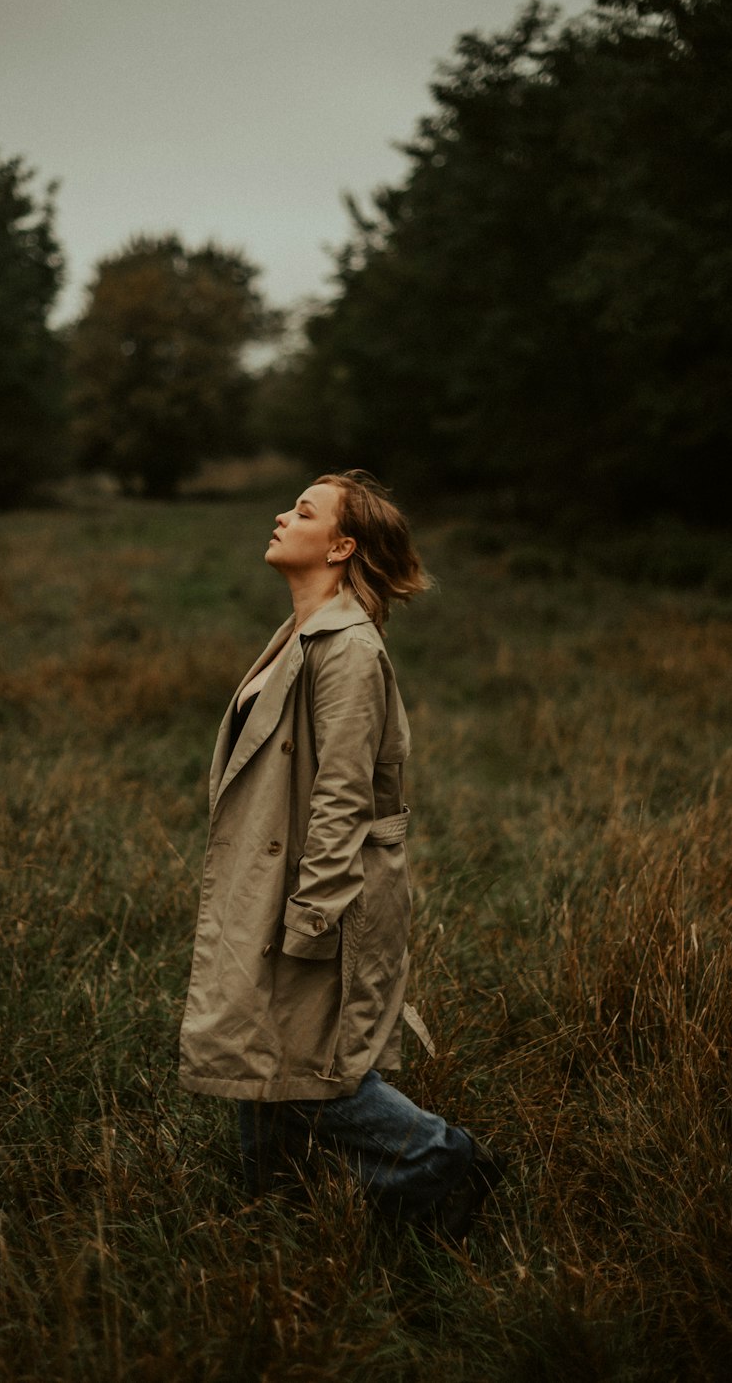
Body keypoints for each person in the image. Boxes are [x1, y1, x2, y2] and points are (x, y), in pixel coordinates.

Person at [178, 470, 504, 1238]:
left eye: (303, 510)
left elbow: (342, 801)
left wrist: (313, 918)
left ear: (341, 544)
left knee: (309, 1071)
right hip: (275, 882)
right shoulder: (301, 631)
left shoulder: (348, 648)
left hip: (315, 892)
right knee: (265, 1057)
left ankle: (441, 1158)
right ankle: (273, 1214)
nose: (281, 515)